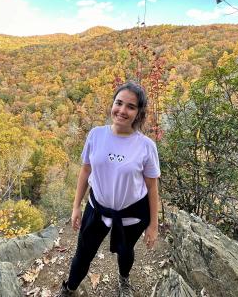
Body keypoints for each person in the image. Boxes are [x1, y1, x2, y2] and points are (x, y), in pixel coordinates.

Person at [56, 81, 160, 297]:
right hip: (97, 208)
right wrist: (76, 206)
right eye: (119, 103)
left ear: (138, 113)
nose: (122, 110)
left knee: (126, 251)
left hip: (132, 212)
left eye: (130, 107)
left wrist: (153, 225)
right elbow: (85, 171)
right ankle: (71, 288)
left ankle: (124, 279)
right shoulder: (96, 135)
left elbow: (152, 186)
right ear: (112, 104)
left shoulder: (146, 146)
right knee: (83, 253)